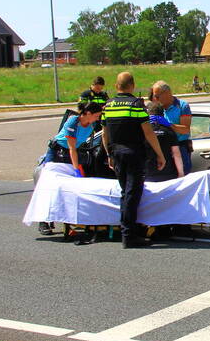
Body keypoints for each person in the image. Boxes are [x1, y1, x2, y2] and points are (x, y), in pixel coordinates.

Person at [102, 72, 166, 248]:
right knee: (132, 193)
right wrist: (160, 154)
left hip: (117, 154)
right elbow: (148, 131)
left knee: (125, 192)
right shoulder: (136, 105)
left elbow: (105, 133)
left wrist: (109, 154)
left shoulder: (108, 105)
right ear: (132, 85)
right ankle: (128, 235)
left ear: (117, 86)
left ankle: (128, 231)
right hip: (134, 154)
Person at [38, 102, 103, 241]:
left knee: (67, 189)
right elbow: (72, 148)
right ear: (88, 114)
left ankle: (66, 221)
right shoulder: (73, 121)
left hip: (71, 154)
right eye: (97, 116)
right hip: (57, 152)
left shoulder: (91, 125)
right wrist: (76, 170)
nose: (98, 118)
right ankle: (44, 221)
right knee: (50, 186)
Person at [150, 81, 193, 175]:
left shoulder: (182, 106)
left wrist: (169, 125)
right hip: (163, 148)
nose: (155, 99)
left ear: (167, 93)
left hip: (180, 147)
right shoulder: (157, 108)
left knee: (182, 177)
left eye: (157, 96)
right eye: (154, 96)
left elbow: (185, 129)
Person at [145, 103, 185, 181]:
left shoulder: (144, 131)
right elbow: (176, 153)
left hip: (147, 172)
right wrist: (181, 173)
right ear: (162, 113)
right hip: (168, 172)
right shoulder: (169, 130)